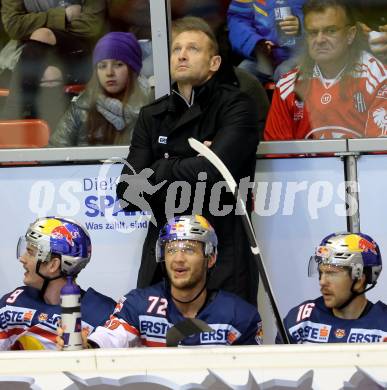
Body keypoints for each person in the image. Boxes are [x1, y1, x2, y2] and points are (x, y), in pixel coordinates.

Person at [116, 16, 261, 305]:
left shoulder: (238, 105)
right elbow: (128, 192)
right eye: (176, 49)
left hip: (223, 251)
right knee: (159, 344)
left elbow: (215, 175)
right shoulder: (151, 115)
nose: (181, 54)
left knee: (224, 344)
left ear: (215, 63)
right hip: (163, 251)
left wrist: (159, 167)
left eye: (193, 48)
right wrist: (193, 160)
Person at [75, 215, 263, 348]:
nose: (178, 258)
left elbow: (252, 376)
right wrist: (88, 345)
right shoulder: (138, 304)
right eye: (171, 250)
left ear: (211, 257)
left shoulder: (240, 315)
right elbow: (111, 339)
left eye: (189, 249)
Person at [264, 0, 387, 140]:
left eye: (331, 31)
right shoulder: (288, 85)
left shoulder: (379, 79)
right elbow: (278, 156)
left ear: (350, 34)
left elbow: (380, 155)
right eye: (313, 32)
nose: (320, 39)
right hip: (302, 163)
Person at [0, 217, 115, 350]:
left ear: (53, 265)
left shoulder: (103, 313)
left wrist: (87, 349)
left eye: (30, 252)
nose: (22, 258)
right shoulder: (12, 303)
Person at [0, 0, 106, 128]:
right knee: (50, 73)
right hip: (31, 51)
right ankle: (50, 140)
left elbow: (90, 25)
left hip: (77, 50)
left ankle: (10, 119)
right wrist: (64, 16)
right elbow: (15, 25)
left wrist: (40, 28)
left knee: (42, 37)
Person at [277, 232, 387, 344]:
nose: (322, 281)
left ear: (359, 280)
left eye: (331, 273)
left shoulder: (383, 327)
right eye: (321, 272)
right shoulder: (302, 320)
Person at [49, 32, 152, 147]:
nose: (109, 73)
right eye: (102, 66)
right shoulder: (82, 107)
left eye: (118, 65)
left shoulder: (151, 109)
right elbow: (54, 151)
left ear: (133, 69)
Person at [227, 0, 306, 83]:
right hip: (263, 56)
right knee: (241, 76)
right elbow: (237, 19)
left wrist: (302, 25)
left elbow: (319, 12)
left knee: (286, 74)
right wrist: (255, 43)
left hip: (301, 54)